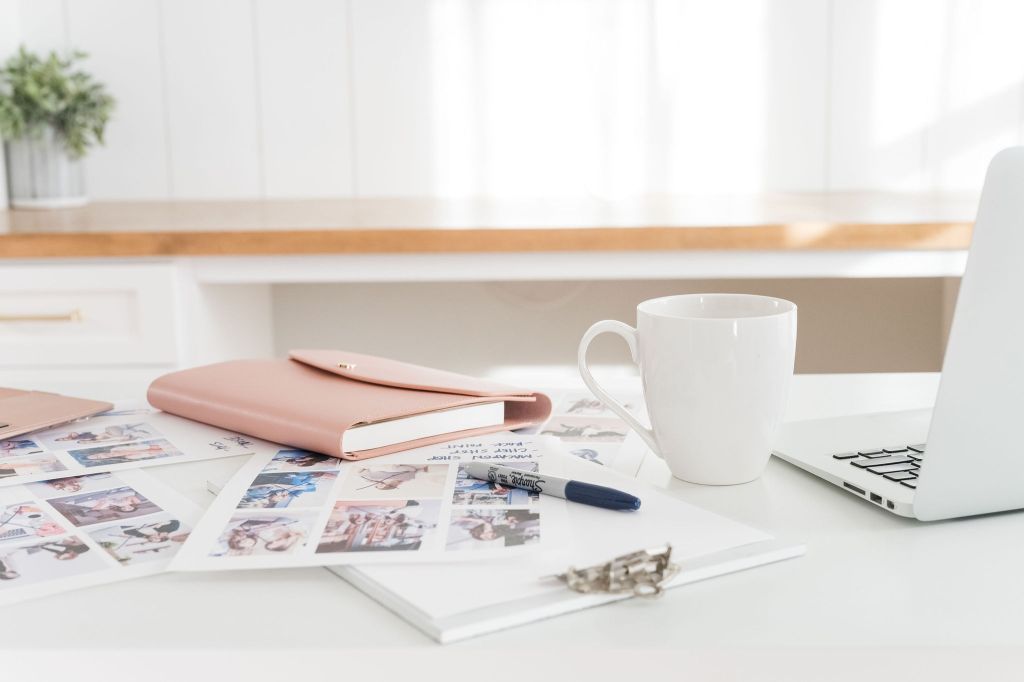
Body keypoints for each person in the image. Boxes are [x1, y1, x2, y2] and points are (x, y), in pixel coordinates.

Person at [357, 464, 429, 491]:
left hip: (383, 469)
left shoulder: (371, 477)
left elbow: (362, 473)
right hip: (391, 470)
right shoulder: (399, 479)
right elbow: (411, 471)